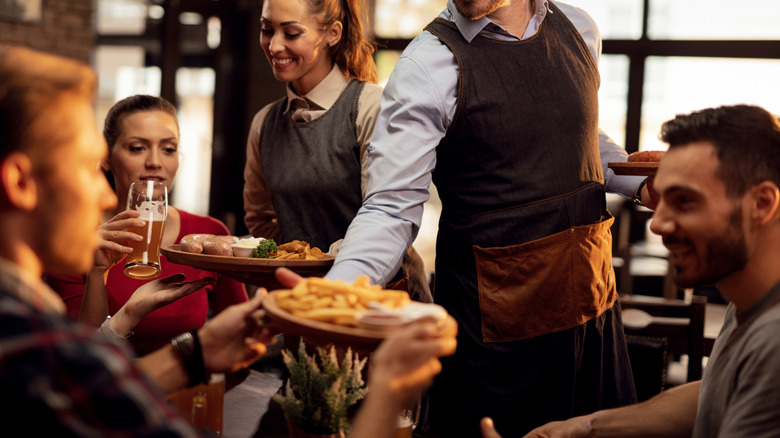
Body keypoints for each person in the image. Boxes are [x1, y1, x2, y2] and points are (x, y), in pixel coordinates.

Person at [0, 44, 457, 437]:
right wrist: (390, 391)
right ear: (20, 181)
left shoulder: (24, 318)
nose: (103, 192)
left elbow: (82, 397)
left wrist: (194, 354)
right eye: (87, 166)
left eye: (168, 147)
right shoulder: (23, 336)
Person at [325, 0, 658, 436]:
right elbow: (390, 207)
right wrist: (331, 301)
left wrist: (638, 180)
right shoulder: (427, 63)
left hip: (593, 324)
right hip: (497, 349)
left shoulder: (580, 28)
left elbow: (578, 135)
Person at [479, 104, 780, 437]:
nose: (659, 224)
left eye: (684, 201)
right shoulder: (749, 299)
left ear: (762, 204)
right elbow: (716, 391)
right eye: (660, 198)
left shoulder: (774, 340)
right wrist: (584, 427)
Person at [242, 0, 431, 302]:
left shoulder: (370, 107)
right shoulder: (264, 123)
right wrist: (299, 267)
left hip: (381, 297)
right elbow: (261, 220)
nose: (275, 45)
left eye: (291, 33)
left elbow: (389, 217)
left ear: (332, 33)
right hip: (303, 299)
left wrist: (319, 261)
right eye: (267, 30)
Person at [46, 94, 249, 356]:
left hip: (191, 391)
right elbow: (79, 359)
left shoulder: (209, 233)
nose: (155, 161)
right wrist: (96, 271)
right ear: (106, 157)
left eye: (168, 149)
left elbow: (242, 334)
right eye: (137, 148)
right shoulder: (71, 239)